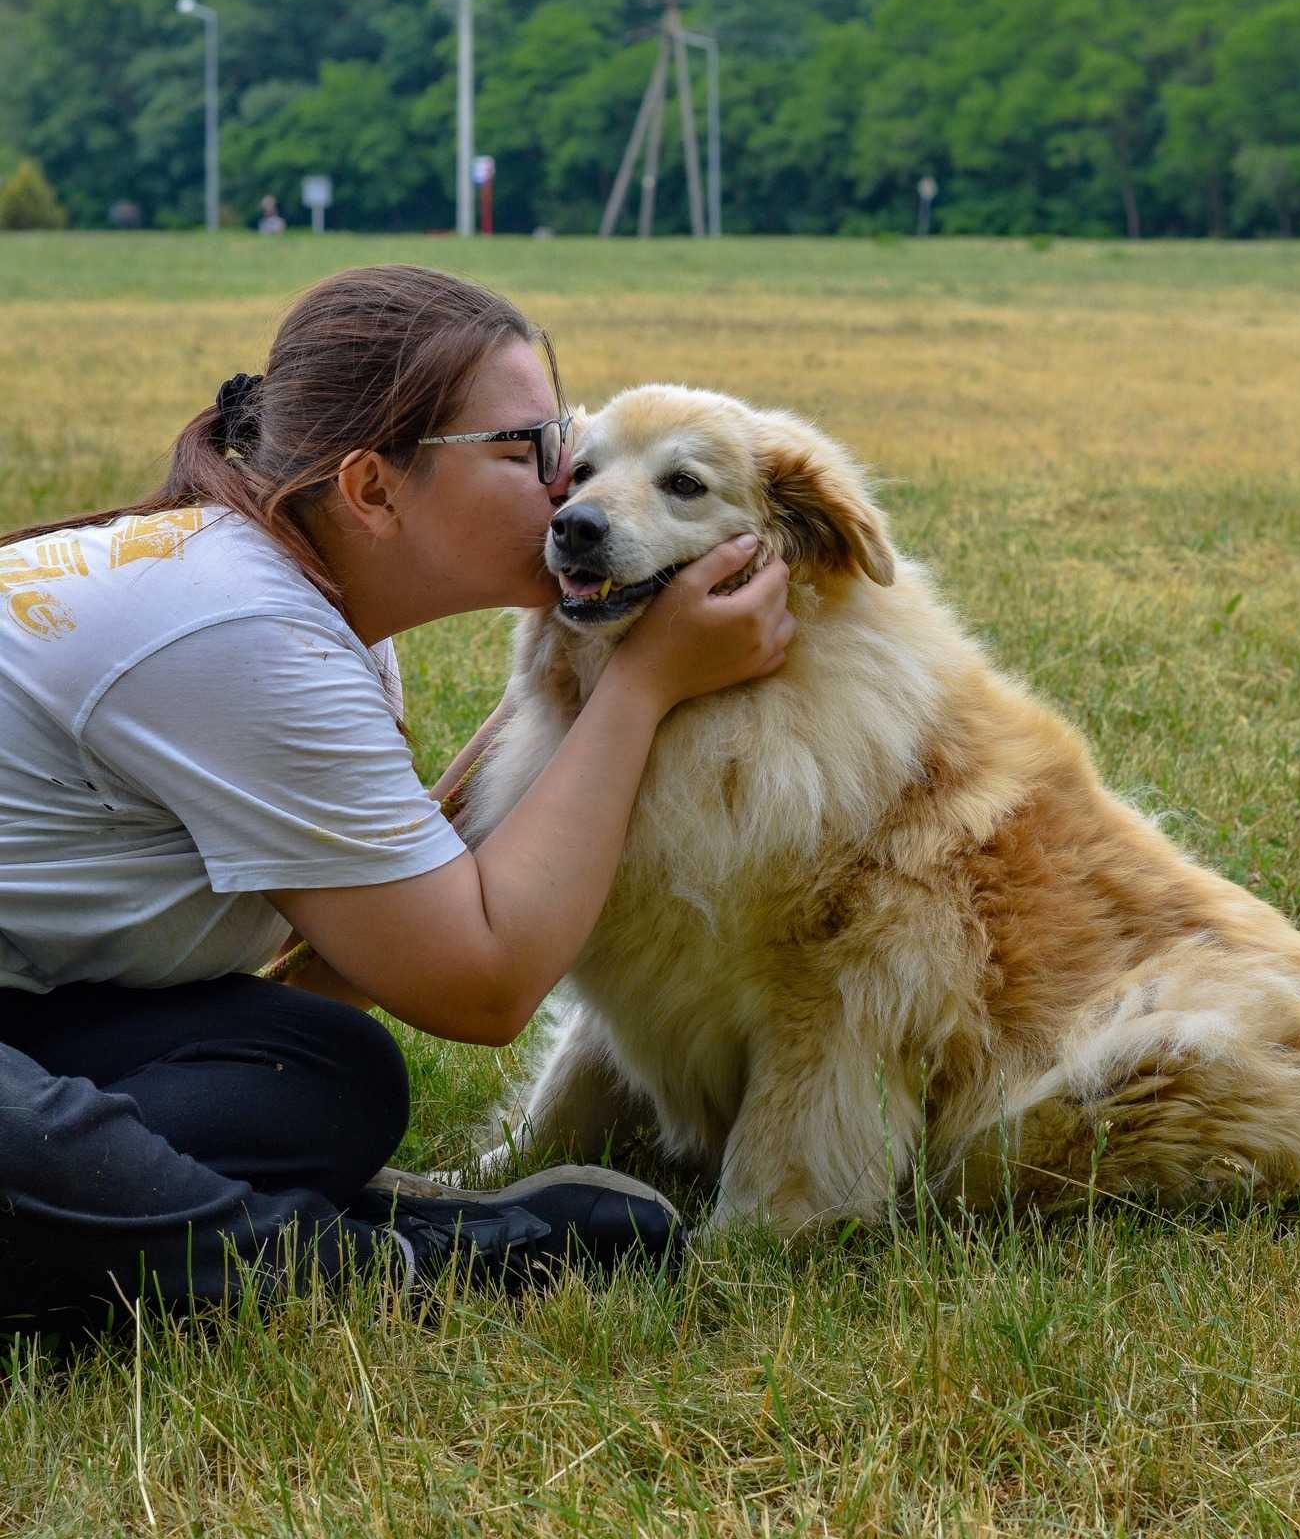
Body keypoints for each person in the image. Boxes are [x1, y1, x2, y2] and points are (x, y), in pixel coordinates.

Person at [0, 264, 793, 1335]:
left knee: (327, 1071)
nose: (572, 489)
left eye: (564, 445)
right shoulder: (244, 635)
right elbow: (481, 985)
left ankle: (97, 1225)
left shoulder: (321, 629)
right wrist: (647, 683)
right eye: (528, 453)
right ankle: (371, 1270)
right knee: (38, 1142)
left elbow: (361, 962)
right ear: (372, 488)